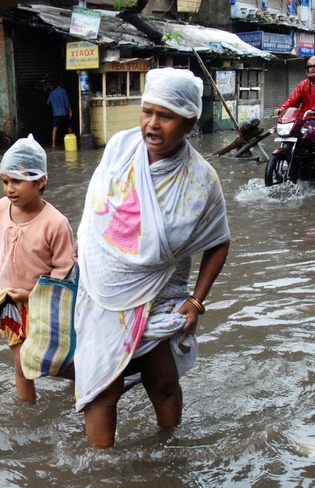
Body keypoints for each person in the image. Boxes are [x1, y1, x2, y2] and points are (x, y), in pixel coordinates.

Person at [73, 67, 230, 448]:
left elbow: (219, 242)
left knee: (161, 384)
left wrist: (196, 301)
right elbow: (97, 213)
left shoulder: (201, 181)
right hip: (105, 292)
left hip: (161, 295)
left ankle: (172, 455)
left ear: (190, 123)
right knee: (101, 393)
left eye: (166, 116)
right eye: (147, 112)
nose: (152, 125)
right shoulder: (120, 150)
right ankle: (102, 476)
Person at [0, 134, 76, 404]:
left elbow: (64, 272)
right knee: (21, 364)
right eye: (5, 181)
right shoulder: (0, 209)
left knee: (59, 361)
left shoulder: (55, 223)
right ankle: (28, 414)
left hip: (45, 307)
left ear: (40, 181)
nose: (10, 189)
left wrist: (32, 294)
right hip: (10, 303)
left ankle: (82, 385)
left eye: (17, 181)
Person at [274, 55, 315, 179]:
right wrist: (282, 108)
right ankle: (291, 160)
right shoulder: (303, 85)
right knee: (292, 133)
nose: (312, 70)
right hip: (306, 119)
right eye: (310, 67)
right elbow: (292, 100)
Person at [46, 83, 72, 148]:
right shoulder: (64, 91)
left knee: (55, 128)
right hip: (64, 112)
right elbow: (67, 102)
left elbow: (48, 102)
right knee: (68, 126)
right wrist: (70, 110)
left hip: (56, 113)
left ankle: (53, 143)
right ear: (61, 85)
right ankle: (70, 140)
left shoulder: (52, 93)